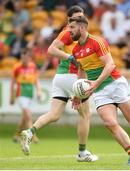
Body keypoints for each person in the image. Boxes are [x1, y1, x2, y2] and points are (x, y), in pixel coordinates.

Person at [68, 16, 130, 166]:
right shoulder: (76, 50)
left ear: (82, 28)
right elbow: (81, 71)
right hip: (99, 91)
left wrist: (95, 83)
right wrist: (78, 94)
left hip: (115, 83)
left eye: (72, 27)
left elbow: (110, 65)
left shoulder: (97, 41)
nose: (69, 31)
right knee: (109, 123)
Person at [20, 6, 98, 162]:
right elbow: (51, 49)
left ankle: (29, 132)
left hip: (60, 77)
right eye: (76, 17)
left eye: (82, 16)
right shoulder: (69, 32)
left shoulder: (74, 31)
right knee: (86, 114)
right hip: (71, 76)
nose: (80, 19)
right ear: (69, 19)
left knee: (54, 114)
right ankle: (82, 153)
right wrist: (70, 58)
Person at [10, 48, 41, 143]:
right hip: (21, 93)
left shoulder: (33, 66)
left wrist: (38, 91)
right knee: (28, 115)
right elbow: (13, 83)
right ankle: (33, 136)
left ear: (29, 57)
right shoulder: (17, 67)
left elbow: (36, 80)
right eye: (22, 57)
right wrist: (11, 97)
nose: (24, 59)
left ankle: (16, 135)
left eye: (26, 57)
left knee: (24, 117)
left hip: (30, 93)